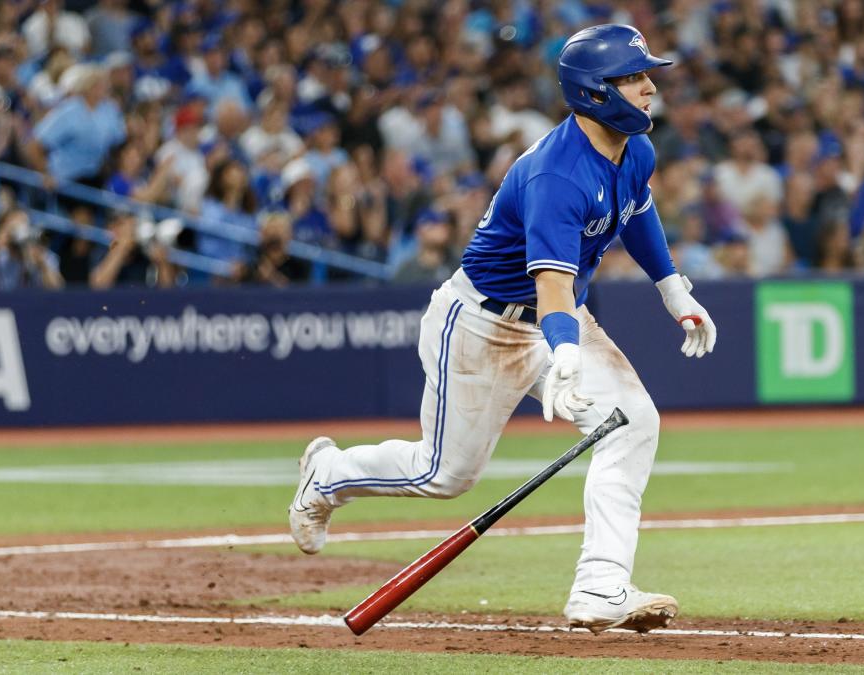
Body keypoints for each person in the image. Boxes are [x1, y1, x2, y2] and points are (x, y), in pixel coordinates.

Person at [287, 25, 715, 634]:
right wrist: (564, 352)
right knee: (444, 476)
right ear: (596, 92)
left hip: (558, 321)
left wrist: (674, 290)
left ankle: (600, 587)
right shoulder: (556, 176)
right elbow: (551, 287)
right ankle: (328, 476)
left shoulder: (634, 149)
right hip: (482, 325)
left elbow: (637, 211)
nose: (649, 86)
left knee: (634, 421)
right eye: (633, 76)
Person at [0, 209, 64, 291]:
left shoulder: (42, 255)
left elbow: (59, 291)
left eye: (23, 226)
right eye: (14, 228)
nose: (19, 232)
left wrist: (42, 264)